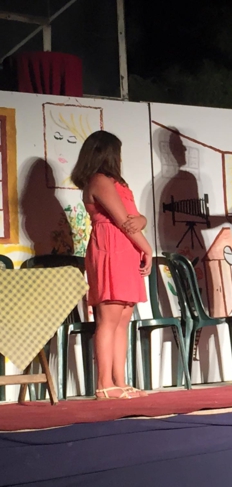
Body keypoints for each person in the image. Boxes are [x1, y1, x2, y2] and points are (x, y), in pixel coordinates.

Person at [71, 130, 152, 399]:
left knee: (123, 319)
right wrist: (147, 248)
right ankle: (104, 383)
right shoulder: (99, 180)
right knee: (108, 319)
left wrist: (142, 221)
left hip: (126, 249)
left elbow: (135, 218)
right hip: (111, 248)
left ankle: (120, 381)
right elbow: (123, 220)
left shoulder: (119, 183)